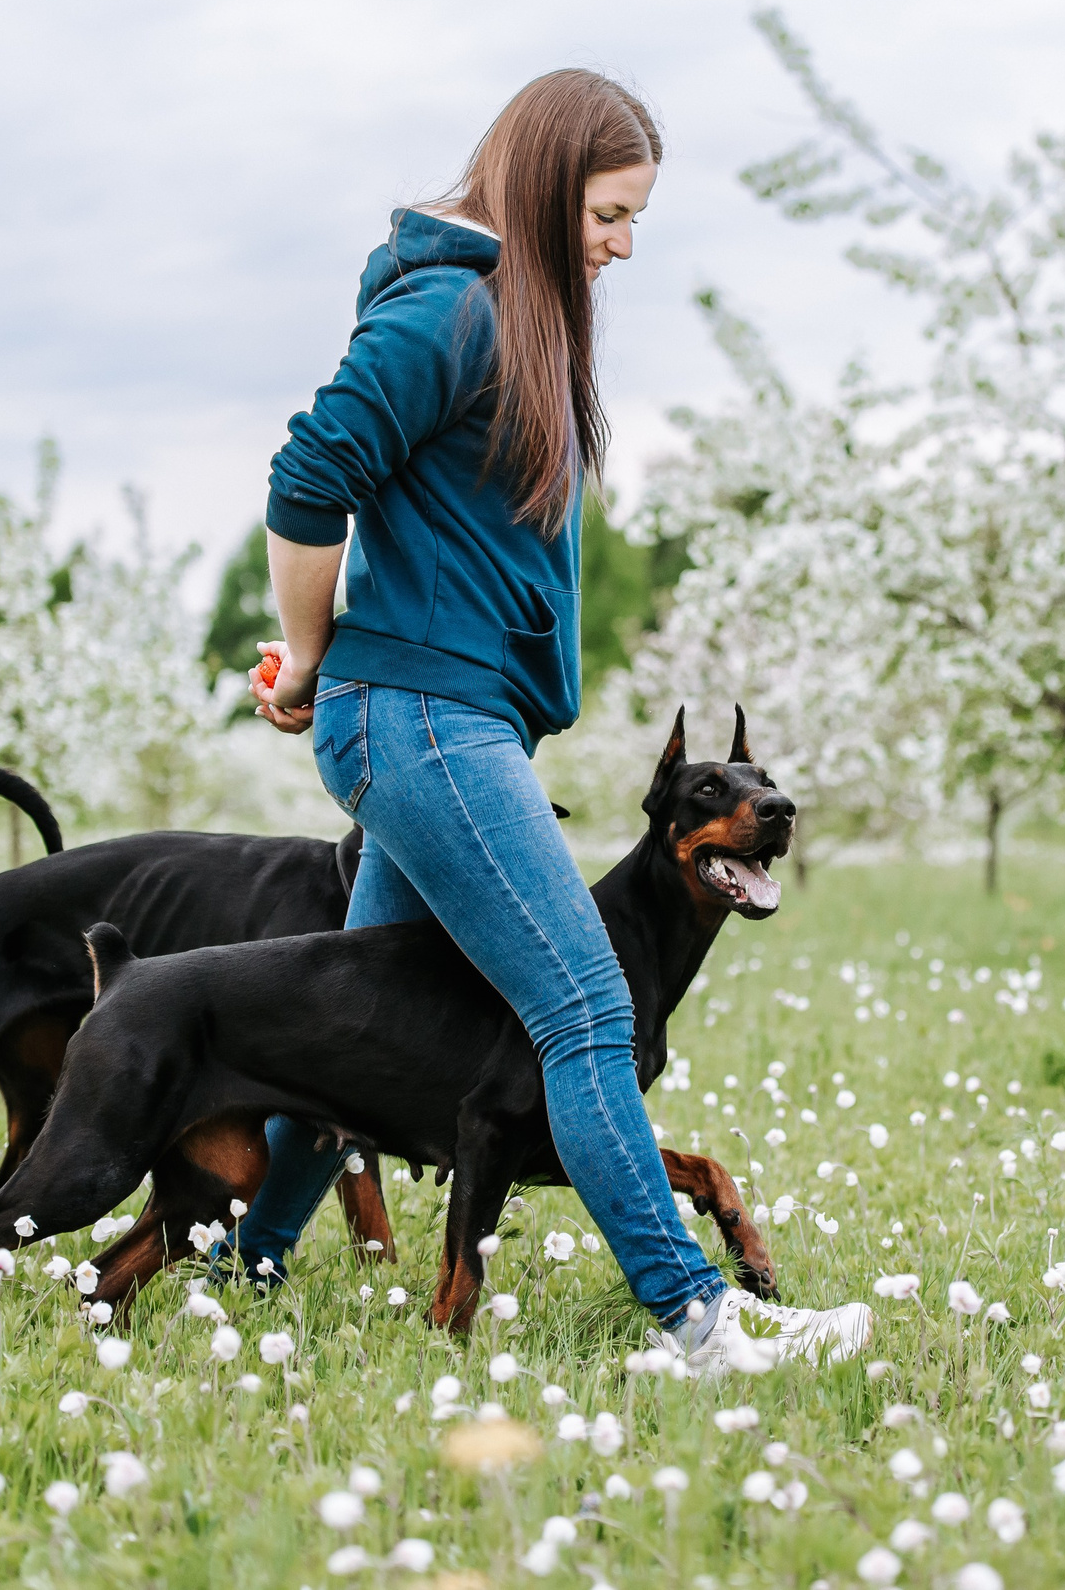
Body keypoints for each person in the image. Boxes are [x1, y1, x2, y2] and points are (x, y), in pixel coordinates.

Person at [239, 69, 869, 1374]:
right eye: (609, 214)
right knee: (587, 1007)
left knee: (351, 1031)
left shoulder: (508, 314)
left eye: (635, 220)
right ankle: (699, 1320)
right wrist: (308, 655)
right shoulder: (451, 311)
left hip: (443, 719)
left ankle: (237, 1266)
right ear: (541, 183)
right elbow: (309, 474)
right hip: (424, 721)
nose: (623, 246)